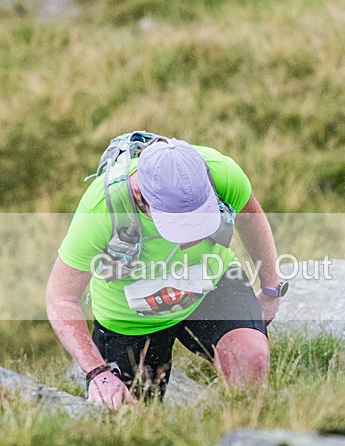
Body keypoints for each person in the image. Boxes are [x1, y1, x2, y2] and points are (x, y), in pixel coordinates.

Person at [46, 134, 288, 407]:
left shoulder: (221, 172)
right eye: (179, 227)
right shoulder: (100, 209)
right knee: (128, 417)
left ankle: (246, 437)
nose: (192, 239)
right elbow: (60, 298)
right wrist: (98, 372)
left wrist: (271, 290)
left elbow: (252, 220)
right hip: (129, 319)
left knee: (251, 358)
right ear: (140, 196)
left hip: (210, 287)